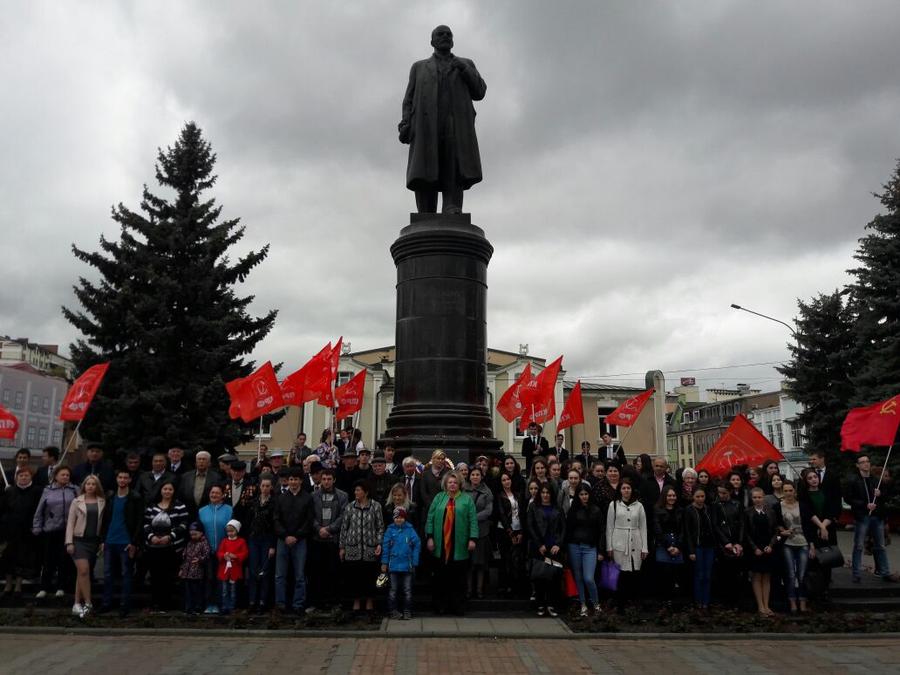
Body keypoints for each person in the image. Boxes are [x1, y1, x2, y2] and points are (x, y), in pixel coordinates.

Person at [399, 24, 486, 214]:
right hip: (426, 125)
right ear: (432, 41)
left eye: (449, 34)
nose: (445, 36)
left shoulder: (466, 64)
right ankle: (426, 212)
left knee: (453, 164)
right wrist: (405, 123)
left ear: (453, 40)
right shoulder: (419, 67)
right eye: (440, 34)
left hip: (455, 124)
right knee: (425, 167)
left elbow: (480, 92)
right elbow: (409, 99)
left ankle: (451, 206)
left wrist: (463, 68)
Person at [424, 470, 478, 615]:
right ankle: (440, 605)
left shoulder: (466, 499)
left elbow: (473, 520)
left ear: (459, 484)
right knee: (441, 578)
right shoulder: (439, 498)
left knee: (458, 578)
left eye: (455, 482)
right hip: (440, 544)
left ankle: (458, 607)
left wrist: (472, 539)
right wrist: (429, 537)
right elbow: (430, 517)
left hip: (459, 544)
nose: (452, 484)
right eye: (450, 482)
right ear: (445, 484)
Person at [846, 454, 897, 583]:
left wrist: (880, 494)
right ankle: (856, 574)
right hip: (862, 517)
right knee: (858, 545)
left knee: (880, 545)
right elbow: (848, 498)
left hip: (877, 517)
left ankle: (885, 572)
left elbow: (886, 497)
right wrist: (864, 504)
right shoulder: (853, 481)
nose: (866, 464)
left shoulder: (876, 480)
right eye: (862, 462)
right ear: (857, 465)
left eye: (867, 461)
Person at [99, 468, 143, 616]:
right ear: (117, 479)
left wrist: (134, 542)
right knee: (107, 574)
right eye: (120, 477)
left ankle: (125, 606)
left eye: (125, 478)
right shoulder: (110, 497)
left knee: (126, 574)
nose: (123, 480)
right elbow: (105, 520)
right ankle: (106, 603)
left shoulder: (135, 497)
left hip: (126, 542)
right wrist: (103, 539)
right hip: (110, 541)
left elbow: (139, 521)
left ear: (130, 480)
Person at [31, 465, 77, 601]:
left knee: (64, 560)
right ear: (56, 476)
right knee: (48, 560)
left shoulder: (74, 490)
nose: (65, 477)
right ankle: (44, 587)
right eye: (63, 475)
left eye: (67, 475)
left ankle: (60, 587)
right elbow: (39, 510)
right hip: (50, 530)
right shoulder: (48, 490)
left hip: (68, 530)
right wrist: (37, 527)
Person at [143, 480, 190, 613]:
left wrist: (171, 536)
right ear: (161, 491)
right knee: (155, 576)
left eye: (170, 489)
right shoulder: (152, 507)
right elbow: (146, 524)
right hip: (153, 547)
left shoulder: (179, 506)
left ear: (174, 491)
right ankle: (155, 604)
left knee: (168, 577)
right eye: (165, 489)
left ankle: (166, 605)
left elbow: (184, 524)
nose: (167, 491)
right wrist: (151, 536)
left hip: (172, 548)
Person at [340, 479, 385, 614]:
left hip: (369, 549)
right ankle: (356, 602)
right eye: (355, 490)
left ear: (365, 492)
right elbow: (344, 528)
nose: (356, 492)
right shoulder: (349, 507)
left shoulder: (376, 506)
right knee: (355, 577)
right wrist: (342, 547)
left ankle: (370, 602)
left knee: (369, 576)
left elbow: (380, 527)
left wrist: (379, 543)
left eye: (358, 490)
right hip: (353, 548)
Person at [273, 467, 313, 614]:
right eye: (291, 479)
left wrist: (296, 536)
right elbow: (276, 519)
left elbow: (308, 521)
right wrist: (285, 536)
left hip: (300, 540)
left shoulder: (307, 498)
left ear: (301, 481)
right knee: (280, 575)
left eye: (296, 479)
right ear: (287, 481)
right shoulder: (281, 498)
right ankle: (280, 603)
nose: (293, 482)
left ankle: (298, 604)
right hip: (283, 540)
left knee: (300, 575)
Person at [65, 474, 106, 618]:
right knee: (83, 570)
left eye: (93, 484)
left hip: (93, 541)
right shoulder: (77, 501)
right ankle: (88, 603)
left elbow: (103, 523)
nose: (90, 486)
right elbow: (70, 523)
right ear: (84, 486)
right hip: (78, 540)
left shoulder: (102, 501)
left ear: (97, 486)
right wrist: (69, 542)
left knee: (82, 574)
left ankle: (76, 603)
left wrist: (102, 541)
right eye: (88, 484)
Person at [309, 468, 348, 612]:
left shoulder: (342, 496)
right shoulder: (313, 496)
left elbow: (343, 516)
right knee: (317, 573)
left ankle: (334, 603)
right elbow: (310, 516)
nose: (326, 482)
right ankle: (317, 603)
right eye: (324, 479)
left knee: (334, 572)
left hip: (333, 539)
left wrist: (329, 529)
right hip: (317, 539)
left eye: (329, 479)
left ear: (334, 480)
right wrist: (319, 529)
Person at [606, 478, 647, 613]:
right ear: (620, 490)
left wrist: (645, 547)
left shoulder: (639, 506)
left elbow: (643, 527)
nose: (626, 491)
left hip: (635, 542)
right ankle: (620, 605)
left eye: (628, 488)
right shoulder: (614, 505)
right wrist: (609, 547)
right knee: (621, 575)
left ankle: (633, 604)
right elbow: (610, 527)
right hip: (619, 542)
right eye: (623, 488)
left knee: (634, 574)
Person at [1, 467, 41, 604]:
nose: (23, 478)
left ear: (31, 477)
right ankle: (7, 585)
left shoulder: (36, 491)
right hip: (10, 531)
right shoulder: (10, 491)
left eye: (26, 475)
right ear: (16, 478)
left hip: (27, 532)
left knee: (22, 559)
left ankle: (18, 586)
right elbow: (3, 509)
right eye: (21, 475)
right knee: (8, 558)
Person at [799, 467, 839, 596]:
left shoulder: (825, 492)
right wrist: (821, 527)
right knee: (815, 562)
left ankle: (826, 589)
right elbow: (808, 513)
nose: (813, 480)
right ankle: (816, 592)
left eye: (815, 477)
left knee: (828, 560)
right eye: (810, 478)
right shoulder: (804, 496)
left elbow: (832, 510)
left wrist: (824, 526)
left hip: (828, 530)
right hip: (813, 530)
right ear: (806, 481)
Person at [528, 483, 566, 617]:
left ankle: (551, 605)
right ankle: (540, 604)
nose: (545, 495)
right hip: (539, 548)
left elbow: (563, 528)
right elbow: (530, 527)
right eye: (543, 492)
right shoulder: (533, 507)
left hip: (554, 548)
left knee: (553, 578)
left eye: (547, 492)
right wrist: (539, 544)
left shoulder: (558, 508)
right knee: (540, 578)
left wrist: (558, 544)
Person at [566, 484, 604, 616]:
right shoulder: (573, 510)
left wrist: (600, 551)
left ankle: (596, 603)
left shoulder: (596, 510)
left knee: (589, 578)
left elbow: (601, 531)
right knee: (578, 577)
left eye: (586, 494)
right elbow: (569, 530)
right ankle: (583, 604)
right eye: (581, 494)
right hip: (574, 546)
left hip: (590, 548)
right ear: (577, 496)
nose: (584, 497)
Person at [381, 506, 421, 620]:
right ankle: (393, 611)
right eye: (396, 517)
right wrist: (384, 563)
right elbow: (386, 547)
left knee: (407, 590)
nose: (399, 519)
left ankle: (407, 611)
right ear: (393, 518)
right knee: (393, 590)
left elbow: (417, 544)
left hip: (407, 566)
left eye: (401, 517)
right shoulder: (389, 530)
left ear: (405, 518)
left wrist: (414, 562)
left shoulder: (410, 529)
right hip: (393, 566)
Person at [198, 484, 232, 613]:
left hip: (223, 551)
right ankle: (208, 604)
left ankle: (221, 604)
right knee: (209, 578)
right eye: (212, 493)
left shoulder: (229, 510)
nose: (214, 495)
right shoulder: (202, 510)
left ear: (222, 495)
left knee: (221, 579)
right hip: (207, 550)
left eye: (217, 493)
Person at [777, 480, 810, 612]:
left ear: (795, 492)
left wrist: (812, 543)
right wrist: (781, 530)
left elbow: (809, 524)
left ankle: (802, 600)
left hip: (803, 542)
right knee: (790, 574)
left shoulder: (802, 505)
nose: (788, 493)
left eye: (791, 490)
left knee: (802, 574)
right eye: (785, 491)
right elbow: (776, 523)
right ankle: (792, 601)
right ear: (782, 492)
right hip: (787, 543)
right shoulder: (778, 506)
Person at [246, 475, 277, 613]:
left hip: (267, 539)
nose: (265, 488)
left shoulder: (274, 503)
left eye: (267, 486)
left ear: (271, 487)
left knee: (264, 571)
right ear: (259, 486)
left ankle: (263, 601)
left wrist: (272, 545)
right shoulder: (253, 502)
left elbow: (275, 526)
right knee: (253, 571)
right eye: (263, 486)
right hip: (253, 539)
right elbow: (248, 522)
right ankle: (252, 601)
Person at [745, 487, 779, 616]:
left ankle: (767, 605)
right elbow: (746, 533)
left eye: (759, 497)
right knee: (757, 577)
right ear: (751, 498)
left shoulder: (770, 511)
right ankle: (760, 606)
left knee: (767, 577)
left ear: (763, 497)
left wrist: (771, 545)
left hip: (768, 548)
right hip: (755, 549)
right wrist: (754, 548)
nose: (757, 499)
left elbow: (775, 530)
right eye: (754, 497)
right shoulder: (747, 512)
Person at [712, 482, 746, 610]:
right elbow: (715, 525)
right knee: (724, 574)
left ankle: (737, 601)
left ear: (730, 492)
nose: (721, 495)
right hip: (723, 545)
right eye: (719, 493)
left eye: (724, 493)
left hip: (736, 542)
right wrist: (726, 542)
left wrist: (739, 542)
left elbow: (742, 523)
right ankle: (726, 601)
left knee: (737, 574)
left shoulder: (737, 504)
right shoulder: (716, 506)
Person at [683, 486, 716, 610]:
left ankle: (706, 602)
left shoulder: (708, 509)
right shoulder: (689, 510)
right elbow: (687, 531)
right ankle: (698, 600)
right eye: (698, 496)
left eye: (702, 496)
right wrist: (691, 550)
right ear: (693, 497)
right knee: (699, 574)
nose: (700, 499)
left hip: (709, 546)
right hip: (697, 546)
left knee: (708, 575)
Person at [495, 471, 526, 597]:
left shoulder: (518, 495)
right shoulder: (499, 496)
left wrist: (521, 532)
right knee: (505, 559)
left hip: (518, 529)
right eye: (503, 480)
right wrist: (511, 533)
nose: (506, 482)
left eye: (508, 479)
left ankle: (516, 586)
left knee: (517, 560)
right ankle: (504, 586)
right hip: (505, 530)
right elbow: (502, 515)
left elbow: (522, 513)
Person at [465, 466, 493, 599]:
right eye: (473, 474)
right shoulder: (463, 490)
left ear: (481, 477)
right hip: (465, 530)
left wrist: (472, 517)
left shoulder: (487, 492)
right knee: (469, 563)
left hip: (481, 531)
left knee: (480, 562)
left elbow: (488, 511)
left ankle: (479, 590)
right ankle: (469, 590)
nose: (475, 477)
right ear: (469, 477)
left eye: (478, 475)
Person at [653, 486, 684, 602]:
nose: (672, 498)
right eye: (669, 495)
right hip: (663, 544)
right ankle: (665, 602)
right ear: (664, 496)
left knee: (677, 574)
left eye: (674, 495)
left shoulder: (680, 510)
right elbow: (657, 530)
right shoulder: (657, 509)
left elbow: (683, 530)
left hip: (677, 544)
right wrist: (668, 546)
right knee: (665, 573)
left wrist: (678, 546)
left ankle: (676, 602)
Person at [217, 519, 248, 615]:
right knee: (224, 590)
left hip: (235, 569)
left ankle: (232, 607)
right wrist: (224, 556)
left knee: (233, 591)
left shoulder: (241, 541)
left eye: (232, 531)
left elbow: (245, 553)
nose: (229, 533)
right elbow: (219, 552)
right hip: (225, 570)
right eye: (228, 531)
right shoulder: (224, 541)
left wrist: (236, 556)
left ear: (237, 530)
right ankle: (224, 607)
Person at [177, 450, 221, 517]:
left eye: (204, 459)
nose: (201, 461)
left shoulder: (216, 478)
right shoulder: (186, 477)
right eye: (199, 459)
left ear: (209, 463)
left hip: (209, 514)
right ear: (195, 462)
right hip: (188, 514)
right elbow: (180, 496)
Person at [179, 522, 210, 615]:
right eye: (191, 534)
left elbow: (207, 555)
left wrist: (200, 560)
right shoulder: (189, 543)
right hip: (187, 572)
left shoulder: (204, 543)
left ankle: (198, 607)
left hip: (197, 573)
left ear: (201, 533)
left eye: (195, 534)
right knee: (188, 591)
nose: (193, 536)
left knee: (197, 591)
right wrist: (181, 569)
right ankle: (188, 607)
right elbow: (185, 558)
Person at [418, 450, 449, 516]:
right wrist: (432, 506)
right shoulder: (425, 474)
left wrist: (442, 506)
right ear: (433, 459)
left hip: (444, 509)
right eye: (438, 458)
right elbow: (423, 492)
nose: (440, 461)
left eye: (442, 459)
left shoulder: (448, 474)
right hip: (429, 509)